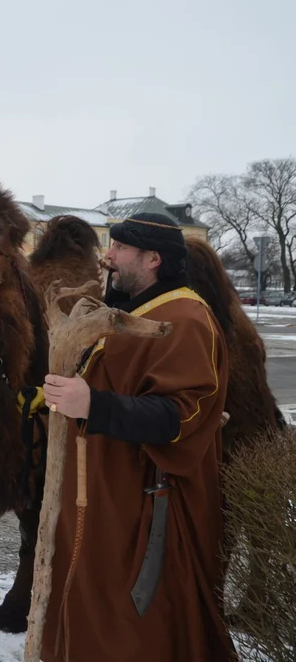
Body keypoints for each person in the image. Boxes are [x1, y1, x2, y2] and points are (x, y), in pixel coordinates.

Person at [40, 212, 236, 662]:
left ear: (152, 259)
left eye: (118, 248)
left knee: (136, 630)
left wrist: (94, 405)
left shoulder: (185, 318)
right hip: (104, 500)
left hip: (146, 507)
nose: (106, 257)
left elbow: (181, 415)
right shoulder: (127, 311)